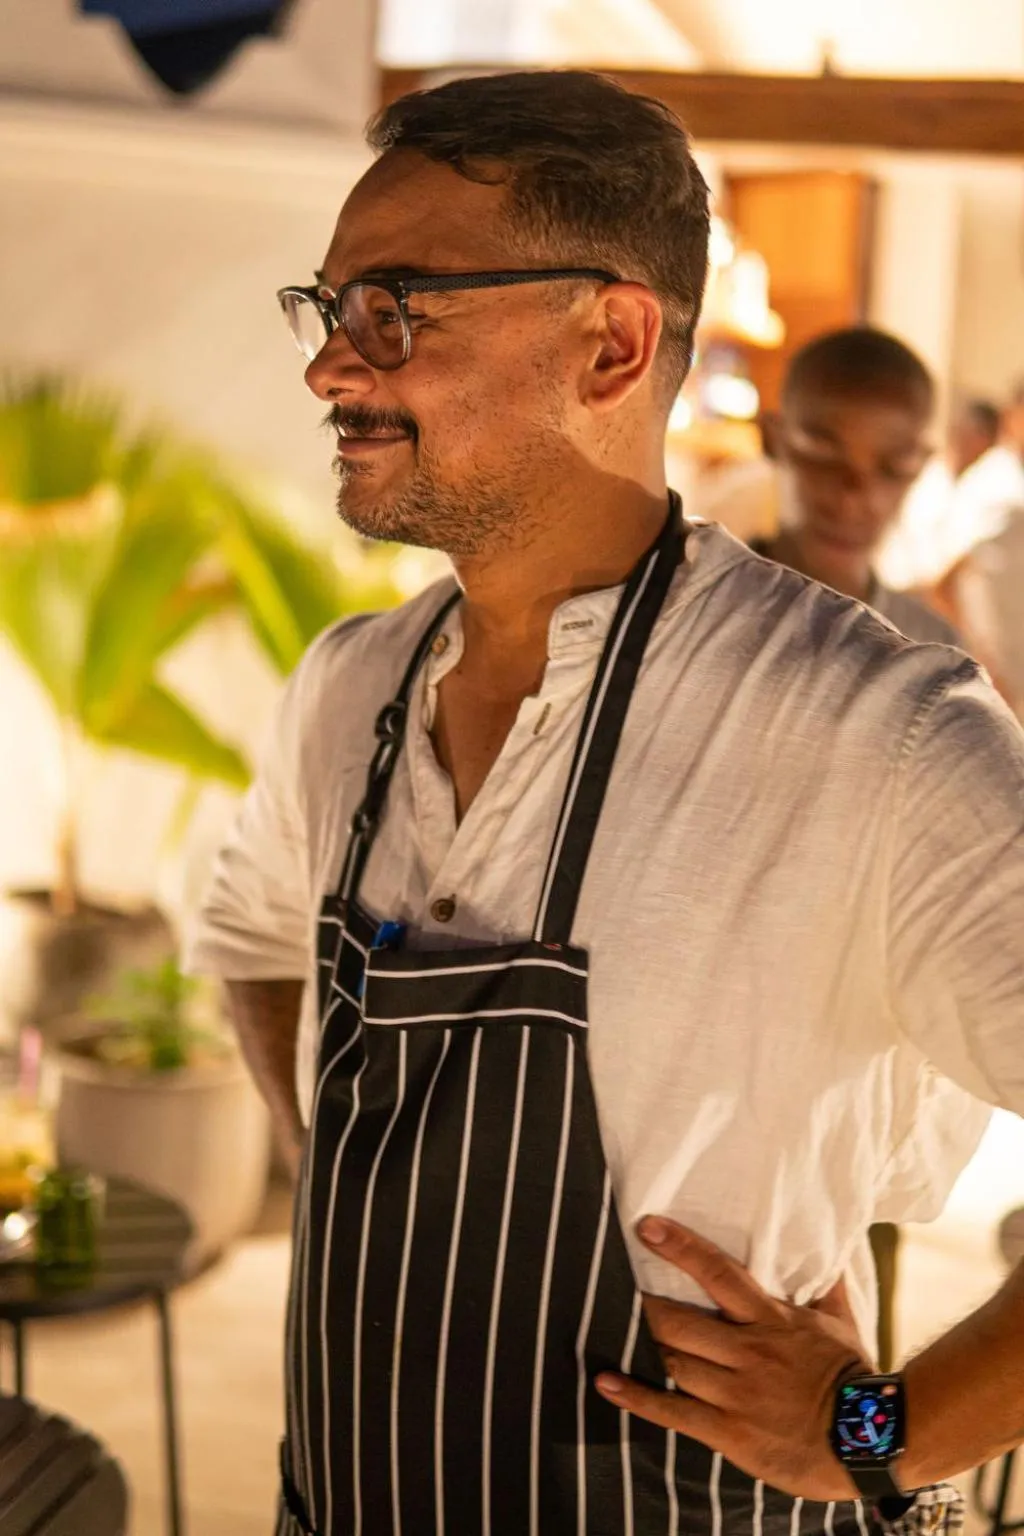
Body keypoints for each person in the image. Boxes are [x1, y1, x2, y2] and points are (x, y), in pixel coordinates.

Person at [188, 70, 1024, 1536]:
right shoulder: (347, 696)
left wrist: (872, 1435)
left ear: (612, 344)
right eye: (326, 312)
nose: (330, 368)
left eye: (394, 310)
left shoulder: (872, 734)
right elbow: (251, 929)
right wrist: (342, 1186)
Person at [752, 328, 959, 646]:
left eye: (892, 469)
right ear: (773, 440)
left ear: (919, 467)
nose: (853, 499)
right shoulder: (690, 606)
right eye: (823, 456)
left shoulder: (930, 651)